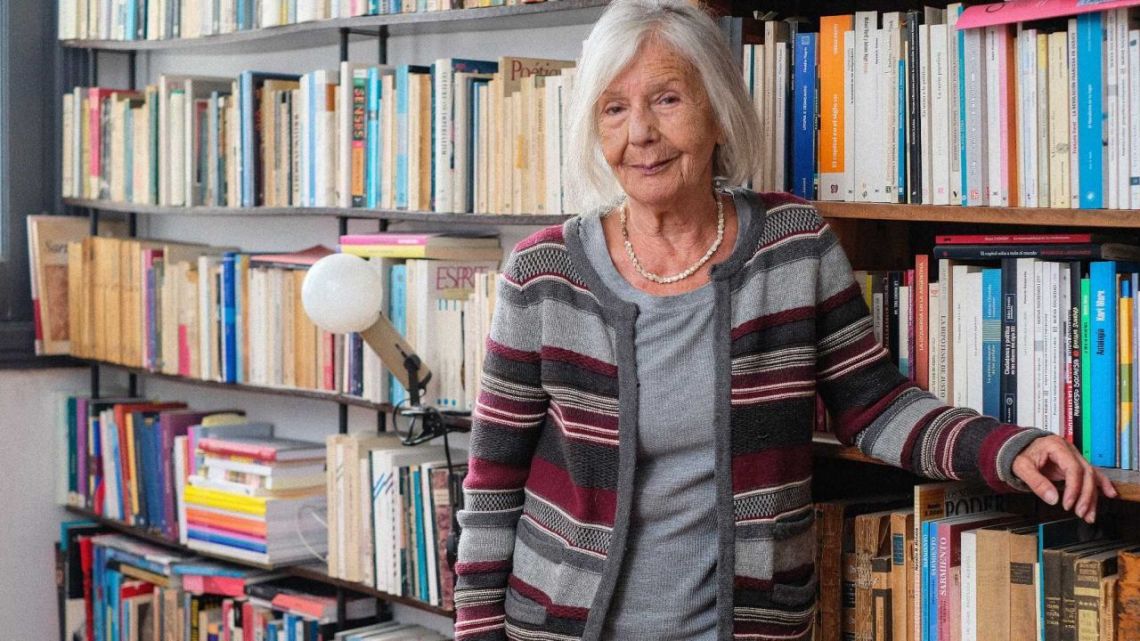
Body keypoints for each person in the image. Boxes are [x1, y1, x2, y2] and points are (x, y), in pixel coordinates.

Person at [451, 0, 1118, 639]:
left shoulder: (792, 244)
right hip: (560, 625)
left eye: (667, 99)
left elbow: (875, 405)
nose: (641, 134)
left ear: (718, 111)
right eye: (614, 108)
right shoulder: (543, 274)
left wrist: (1003, 448)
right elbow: (493, 484)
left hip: (752, 624)